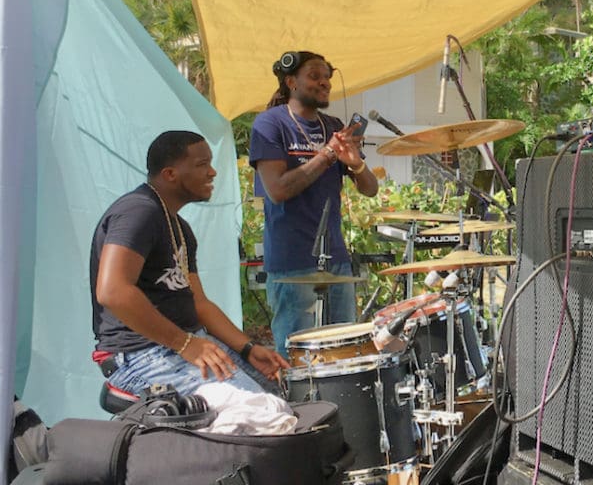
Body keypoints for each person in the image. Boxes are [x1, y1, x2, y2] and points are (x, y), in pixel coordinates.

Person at [91, 130, 289, 396]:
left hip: (184, 343)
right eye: (201, 164)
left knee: (279, 393)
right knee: (260, 413)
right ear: (170, 174)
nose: (212, 172)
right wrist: (184, 344)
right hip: (140, 355)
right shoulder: (138, 211)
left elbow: (199, 304)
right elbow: (112, 291)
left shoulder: (180, 228)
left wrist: (248, 348)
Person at [250, 51, 379, 355]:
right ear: (291, 81)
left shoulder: (332, 125)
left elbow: (371, 189)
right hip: (292, 261)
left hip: (335, 256)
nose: (324, 83)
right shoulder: (270, 124)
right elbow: (278, 190)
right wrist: (327, 156)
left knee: (343, 353)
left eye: (327, 77)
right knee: (297, 357)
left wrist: (356, 164)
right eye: (315, 76)